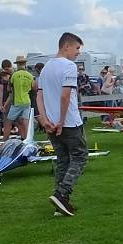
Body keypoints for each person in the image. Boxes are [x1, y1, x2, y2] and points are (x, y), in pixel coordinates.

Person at [37, 33, 89, 216]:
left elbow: (39, 96)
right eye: (77, 48)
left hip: (51, 123)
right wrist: (60, 121)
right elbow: (65, 96)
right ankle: (62, 193)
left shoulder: (46, 68)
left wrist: (44, 120)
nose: (77, 53)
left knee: (63, 161)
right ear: (66, 46)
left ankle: (60, 204)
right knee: (80, 157)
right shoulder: (69, 66)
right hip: (69, 123)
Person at [2, 55, 35, 141]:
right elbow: (33, 88)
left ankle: (5, 140)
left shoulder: (14, 75)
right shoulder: (30, 75)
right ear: (25, 64)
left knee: (8, 121)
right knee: (26, 121)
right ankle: (27, 140)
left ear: (17, 64)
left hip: (17, 102)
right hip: (27, 101)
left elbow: (9, 89)